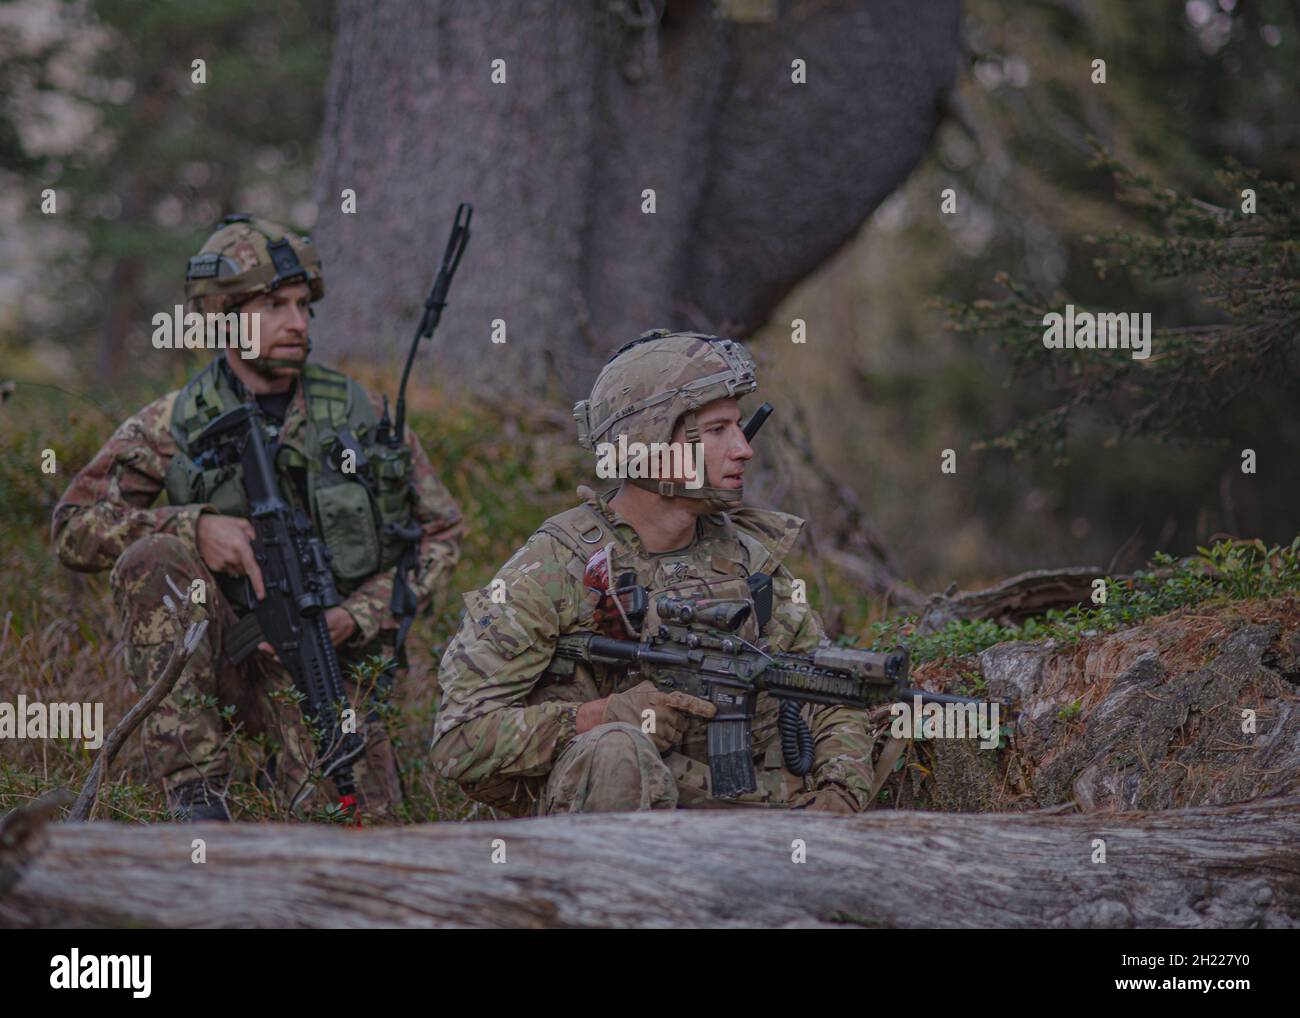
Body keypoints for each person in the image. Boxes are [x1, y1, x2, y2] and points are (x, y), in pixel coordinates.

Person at [51, 214, 463, 821]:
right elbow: (73, 524)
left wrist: (357, 615)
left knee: (358, 824)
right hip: (222, 661)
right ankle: (197, 790)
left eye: (302, 305)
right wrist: (190, 526)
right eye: (273, 306)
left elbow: (441, 534)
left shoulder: (360, 415)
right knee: (153, 560)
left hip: (328, 665)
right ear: (224, 317)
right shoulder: (174, 423)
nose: (297, 323)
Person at [430, 329, 877, 815]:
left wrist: (838, 793)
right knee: (616, 749)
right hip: (588, 839)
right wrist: (594, 717)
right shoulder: (553, 568)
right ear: (650, 443)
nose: (743, 449)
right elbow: (458, 740)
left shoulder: (749, 558)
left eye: (738, 427)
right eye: (716, 431)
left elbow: (823, 687)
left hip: (740, 818)